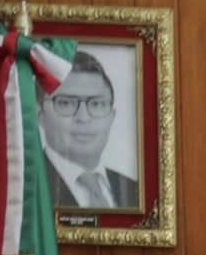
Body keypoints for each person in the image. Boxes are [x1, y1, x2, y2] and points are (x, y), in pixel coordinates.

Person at [41, 50, 139, 209]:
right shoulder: (23, 189)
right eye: (66, 103)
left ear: (111, 117)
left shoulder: (135, 192)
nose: (84, 117)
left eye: (96, 104)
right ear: (40, 115)